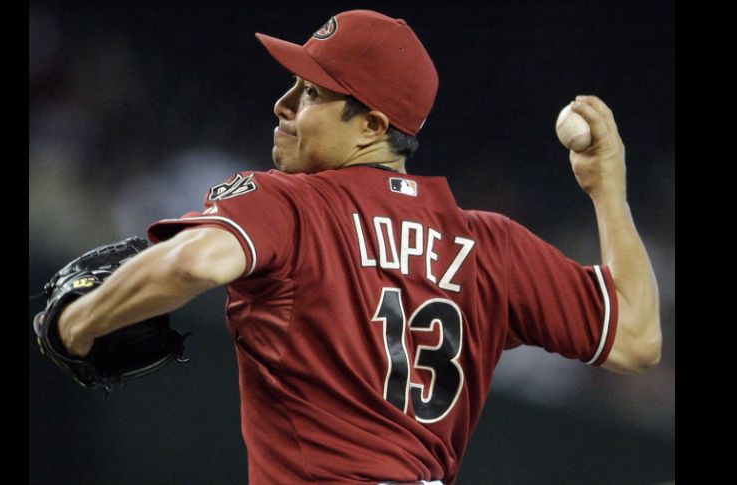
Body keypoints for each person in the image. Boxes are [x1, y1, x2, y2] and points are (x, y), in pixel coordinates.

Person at [54, 9, 661, 485]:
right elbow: (636, 339)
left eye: (313, 93)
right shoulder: (489, 244)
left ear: (372, 126)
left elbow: (194, 260)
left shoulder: (293, 203)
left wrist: (78, 323)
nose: (284, 105)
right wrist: (609, 193)